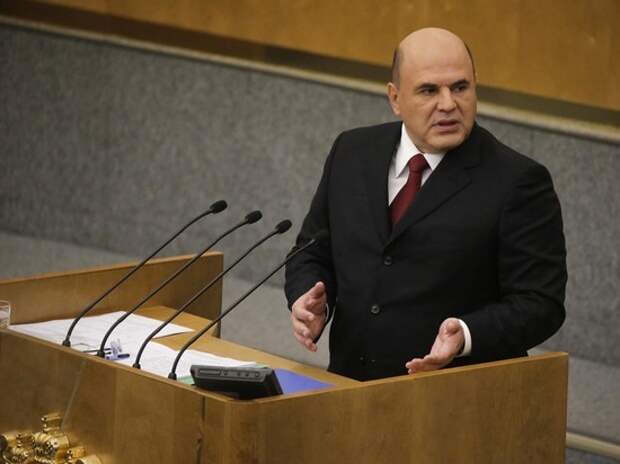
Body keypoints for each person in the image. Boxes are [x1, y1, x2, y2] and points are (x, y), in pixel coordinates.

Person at [284, 27, 567, 381]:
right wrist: (310, 300)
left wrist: (467, 334)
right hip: (348, 386)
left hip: (452, 394)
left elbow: (541, 304)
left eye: (460, 87)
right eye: (429, 90)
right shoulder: (352, 152)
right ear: (395, 98)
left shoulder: (518, 181)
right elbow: (311, 251)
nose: (448, 104)